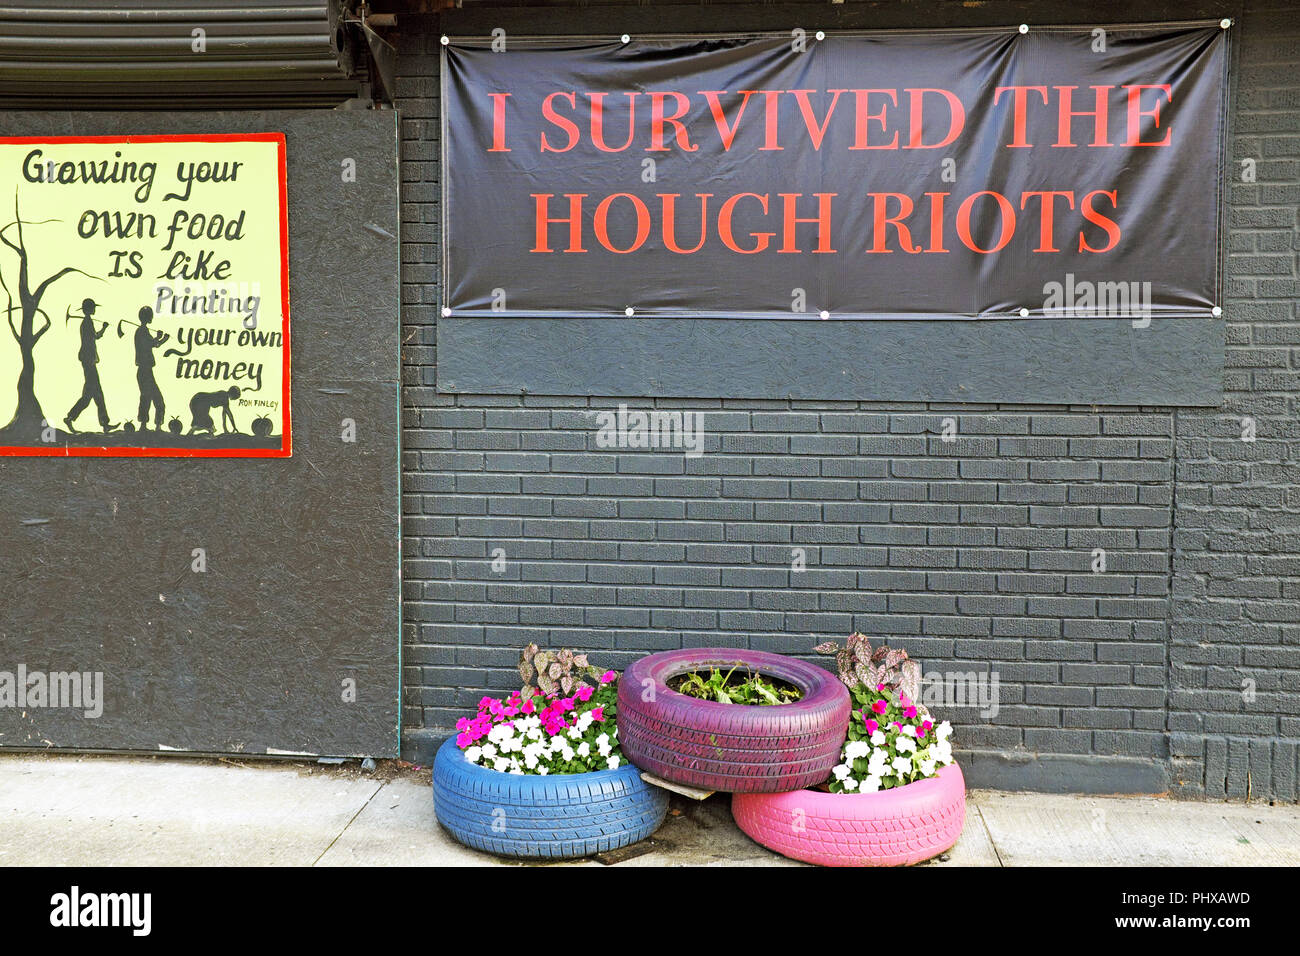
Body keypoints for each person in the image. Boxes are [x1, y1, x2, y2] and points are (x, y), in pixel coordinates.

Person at [64, 298, 117, 434]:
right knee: (94, 394)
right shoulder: (87, 322)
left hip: (88, 360)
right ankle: (72, 418)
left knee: (91, 396)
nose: (95, 310)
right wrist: (104, 328)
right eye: (93, 307)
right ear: (89, 309)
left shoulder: (87, 322)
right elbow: (96, 337)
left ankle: (102, 424)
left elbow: (93, 337)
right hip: (88, 360)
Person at [133, 306, 167, 431]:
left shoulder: (142, 331)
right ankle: (151, 426)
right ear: (147, 317)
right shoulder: (142, 331)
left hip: (144, 370)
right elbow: (153, 344)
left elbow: (152, 343)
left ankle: (149, 425)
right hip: (145, 370)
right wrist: (162, 338)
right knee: (152, 398)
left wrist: (159, 338)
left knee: (148, 398)